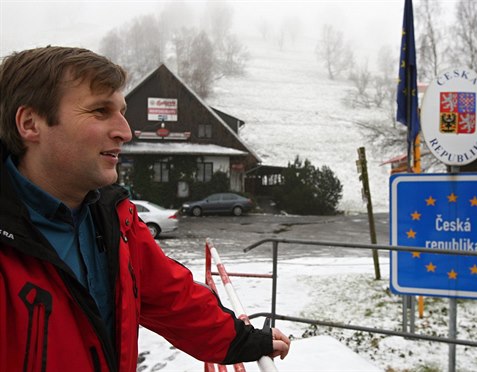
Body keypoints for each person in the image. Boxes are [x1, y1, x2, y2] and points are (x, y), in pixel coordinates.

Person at [0, 46, 290, 371]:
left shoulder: (114, 219)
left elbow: (172, 299)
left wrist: (244, 341)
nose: (125, 131)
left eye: (122, 111)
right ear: (30, 123)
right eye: (99, 111)